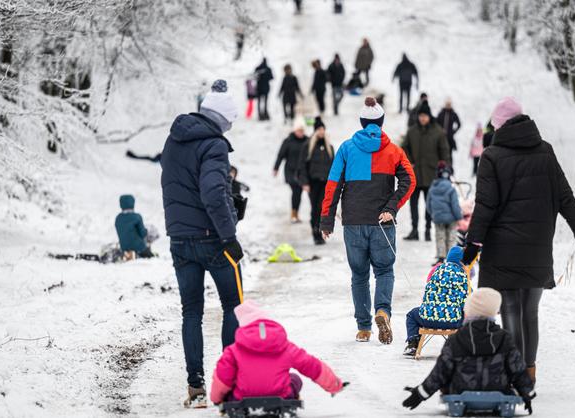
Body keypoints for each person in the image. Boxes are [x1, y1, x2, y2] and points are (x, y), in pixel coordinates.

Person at [462, 97, 575, 386]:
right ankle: (529, 371)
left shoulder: (491, 156)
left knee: (509, 309)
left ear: (499, 126)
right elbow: (564, 196)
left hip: (503, 250)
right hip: (537, 247)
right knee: (529, 311)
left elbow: (485, 206)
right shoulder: (545, 151)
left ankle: (513, 372)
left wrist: (473, 243)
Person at [159, 79, 244, 408]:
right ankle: (229, 385)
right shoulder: (215, 145)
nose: (231, 127)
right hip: (213, 241)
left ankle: (195, 388)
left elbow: (179, 185)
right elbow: (210, 193)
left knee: (191, 312)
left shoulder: (173, 139)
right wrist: (229, 236)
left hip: (180, 239)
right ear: (222, 118)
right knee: (232, 307)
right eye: (231, 120)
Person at [320, 97, 416, 344]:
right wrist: (391, 207)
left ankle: (364, 328)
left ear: (362, 122)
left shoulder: (346, 148)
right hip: (382, 223)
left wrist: (326, 220)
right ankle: (382, 311)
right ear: (381, 122)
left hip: (353, 223)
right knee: (384, 270)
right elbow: (410, 181)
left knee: (359, 275)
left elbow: (333, 186)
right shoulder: (394, 150)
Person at [402, 288, 535, 415]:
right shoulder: (504, 338)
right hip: (498, 392)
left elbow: (441, 371)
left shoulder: (457, 338)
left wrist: (421, 393)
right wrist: (527, 393)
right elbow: (517, 369)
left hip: (460, 393)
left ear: (469, 311)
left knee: (450, 369)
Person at [210, 300, 345, 404]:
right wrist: (334, 384)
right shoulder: (284, 346)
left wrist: (217, 399)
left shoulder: (234, 350)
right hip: (281, 394)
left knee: (231, 381)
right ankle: (290, 399)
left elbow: (222, 379)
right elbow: (311, 365)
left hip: (243, 396)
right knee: (295, 379)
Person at [402, 246, 469, 357]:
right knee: (468, 315)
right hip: (453, 321)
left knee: (412, 315)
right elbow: (465, 301)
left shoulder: (436, 271)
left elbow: (428, 292)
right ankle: (462, 346)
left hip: (427, 319)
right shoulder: (462, 275)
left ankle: (413, 343)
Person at [402, 101, 450, 242]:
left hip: (431, 175)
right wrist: (409, 161)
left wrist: (445, 168)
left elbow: (445, 152)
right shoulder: (412, 131)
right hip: (415, 174)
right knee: (413, 204)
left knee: (429, 204)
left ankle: (428, 230)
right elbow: (404, 148)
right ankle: (414, 230)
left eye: (425, 116)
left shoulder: (438, 132)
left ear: (429, 116)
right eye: (420, 116)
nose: (423, 118)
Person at [298, 117, 334, 245]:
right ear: (315, 131)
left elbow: (334, 166)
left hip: (325, 183)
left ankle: (320, 231)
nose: (321, 131)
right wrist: (305, 182)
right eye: (319, 129)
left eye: (323, 129)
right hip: (313, 183)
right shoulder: (308, 146)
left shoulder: (329, 147)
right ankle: (314, 231)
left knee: (322, 208)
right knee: (315, 208)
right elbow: (302, 165)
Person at [274, 118, 308, 223]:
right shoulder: (288, 141)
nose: (301, 133)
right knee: (296, 191)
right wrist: (276, 168)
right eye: (299, 130)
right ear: (294, 130)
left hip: (302, 172)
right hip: (290, 171)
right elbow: (281, 155)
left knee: (298, 192)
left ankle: (295, 213)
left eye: (302, 130)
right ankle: (294, 213)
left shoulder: (307, 141)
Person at [426, 163, 462, 264]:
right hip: (451, 218)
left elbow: (428, 204)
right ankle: (452, 258)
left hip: (438, 218)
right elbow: (455, 205)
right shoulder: (451, 188)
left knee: (440, 236)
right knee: (451, 237)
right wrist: (458, 217)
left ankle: (441, 257)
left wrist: (433, 214)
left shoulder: (433, 188)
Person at [114, 194, 154, 258]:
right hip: (139, 248)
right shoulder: (137, 217)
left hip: (124, 247)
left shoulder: (118, 218)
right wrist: (147, 231)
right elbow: (143, 233)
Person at [436, 99, 461, 165]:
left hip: (449, 138)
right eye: (447, 104)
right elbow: (436, 123)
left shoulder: (453, 114)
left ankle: (450, 168)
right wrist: (439, 131)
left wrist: (453, 132)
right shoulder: (441, 113)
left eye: (449, 104)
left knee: (449, 154)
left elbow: (459, 124)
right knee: (440, 152)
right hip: (441, 137)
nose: (448, 106)